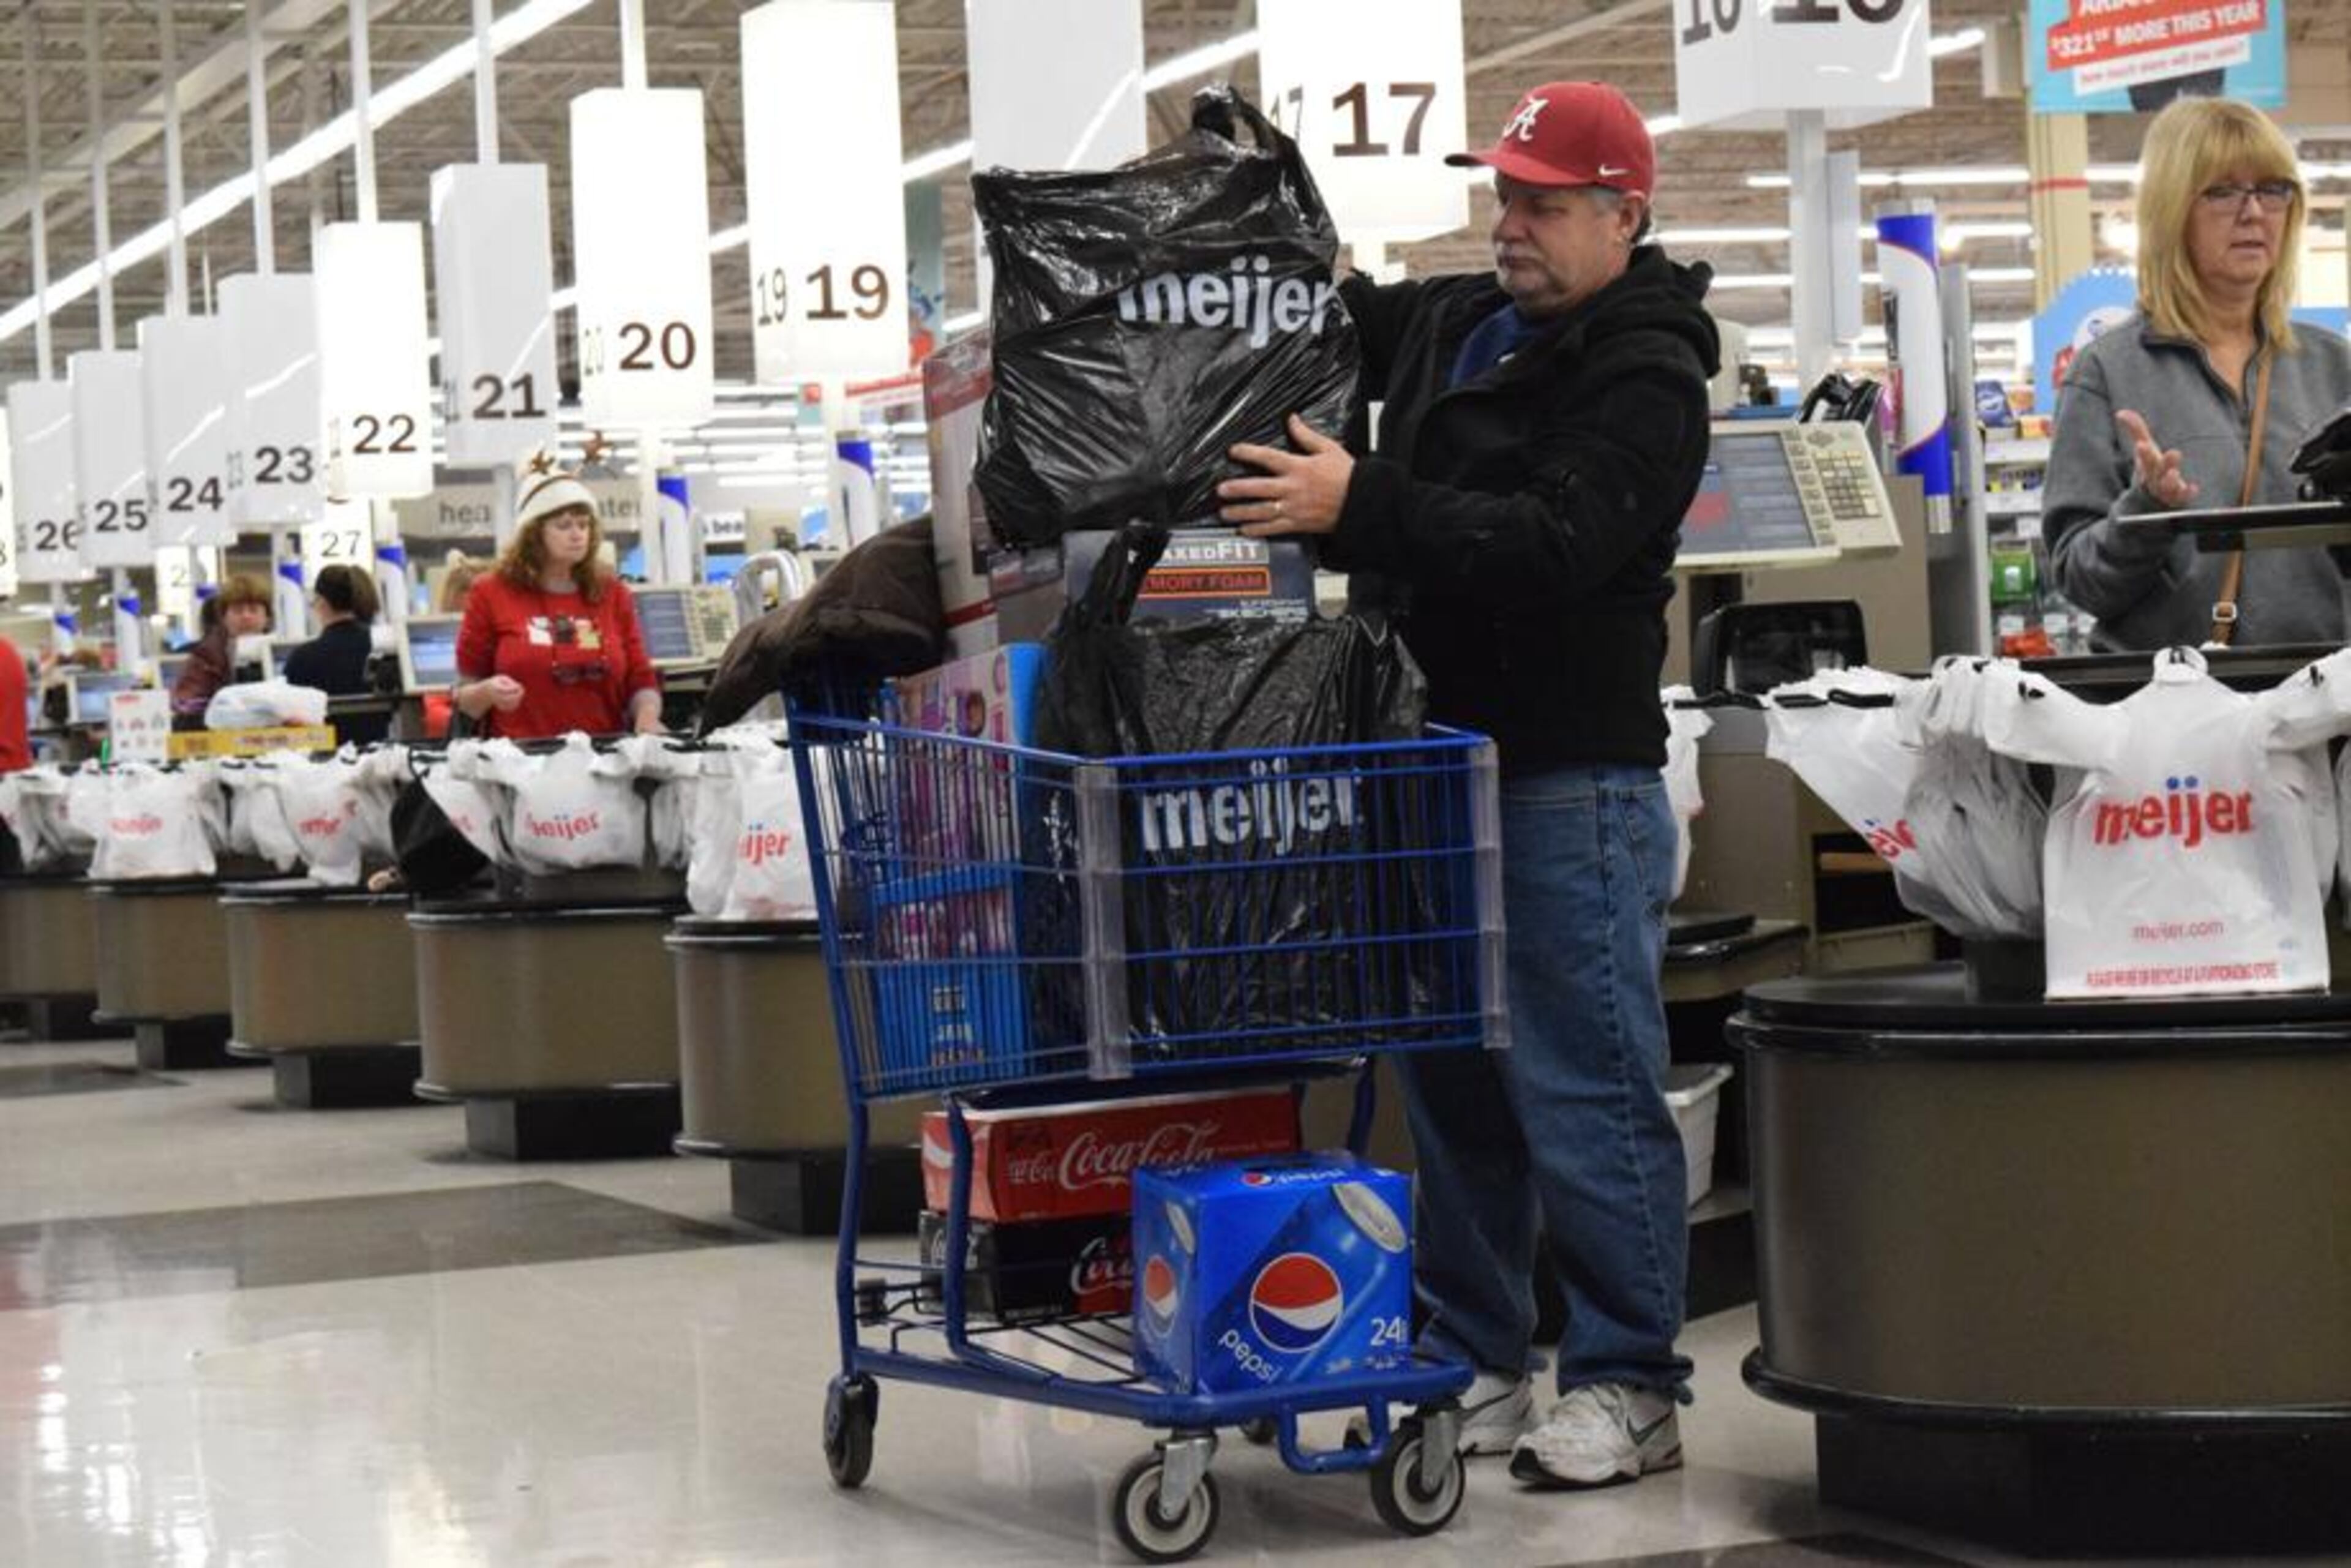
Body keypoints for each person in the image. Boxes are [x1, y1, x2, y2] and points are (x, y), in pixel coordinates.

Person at [1220, 80, 1718, 1488]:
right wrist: (1254, 214)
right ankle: (1476, 1352)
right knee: (1454, 1086)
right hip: (1422, 763)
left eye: (1544, 204)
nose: (1512, 224)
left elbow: (1547, 541)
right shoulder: (1457, 318)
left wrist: (1357, 505)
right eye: (1503, 195)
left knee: (1581, 1084)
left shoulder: (1646, 371)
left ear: (1623, 213)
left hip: (1565, 772)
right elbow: (1332, 309)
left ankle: (1628, 1377)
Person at [2044, 96, 2351, 650]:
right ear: (2171, 211)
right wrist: (2145, 512)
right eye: (2223, 190)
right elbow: (2079, 580)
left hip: (2319, 706)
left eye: (2273, 189)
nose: (2254, 212)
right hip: (2171, 712)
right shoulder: (2108, 373)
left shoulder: (2335, 367)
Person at [452, 471, 662, 738]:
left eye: (584, 525)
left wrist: (646, 718)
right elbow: (465, 693)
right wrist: (488, 692)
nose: (577, 535)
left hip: (603, 758)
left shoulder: (613, 593)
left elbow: (639, 677)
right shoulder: (491, 593)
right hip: (519, 761)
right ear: (534, 534)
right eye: (564, 526)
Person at [283, 565, 388, 745]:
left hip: (323, 760)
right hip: (380, 755)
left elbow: (289, 722)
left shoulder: (303, 658)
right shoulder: (385, 647)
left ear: (321, 603)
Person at [171, 576, 274, 717]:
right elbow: (185, 704)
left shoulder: (284, 653)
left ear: (267, 618)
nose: (246, 616)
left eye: (254, 610)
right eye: (238, 610)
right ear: (224, 618)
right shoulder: (206, 657)